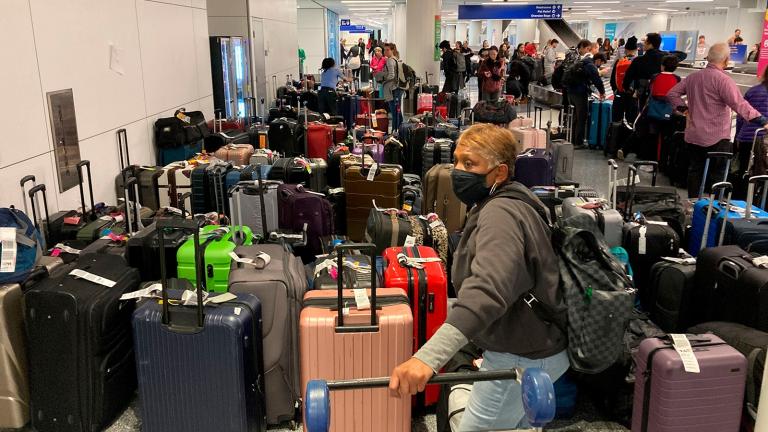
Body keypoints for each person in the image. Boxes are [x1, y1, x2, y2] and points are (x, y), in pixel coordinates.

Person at [388, 123, 568, 431]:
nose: (458, 171)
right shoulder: (516, 199)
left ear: (499, 173)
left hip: (522, 358)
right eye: (457, 160)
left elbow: (486, 291)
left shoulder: (500, 215)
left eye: (470, 164)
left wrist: (427, 358)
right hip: (542, 346)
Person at [667, 43, 768, 198]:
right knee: (718, 175)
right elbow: (739, 105)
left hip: (694, 135)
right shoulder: (723, 80)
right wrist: (762, 120)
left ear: (708, 57)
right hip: (717, 137)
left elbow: (672, 94)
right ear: (726, 60)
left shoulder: (693, 77)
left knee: (695, 170)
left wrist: (684, 109)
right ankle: (713, 207)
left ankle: (693, 203)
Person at [564, 39, 606, 148]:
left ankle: (573, 139)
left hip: (571, 92)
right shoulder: (590, 65)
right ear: (598, 60)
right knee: (582, 117)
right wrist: (602, 92)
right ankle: (578, 142)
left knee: (576, 117)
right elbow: (597, 79)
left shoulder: (583, 61)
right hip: (579, 93)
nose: (600, 66)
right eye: (601, 63)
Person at [735, 64, 768, 195]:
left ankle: (739, 201)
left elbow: (740, 115)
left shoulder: (752, 90)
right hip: (764, 140)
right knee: (762, 173)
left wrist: (738, 135)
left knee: (744, 170)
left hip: (746, 137)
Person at [623, 33, 666, 114]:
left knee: (643, 113)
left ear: (650, 44)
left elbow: (628, 77)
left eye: (645, 42)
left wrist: (626, 89)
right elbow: (682, 55)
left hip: (643, 92)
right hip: (662, 92)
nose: (643, 44)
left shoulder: (639, 60)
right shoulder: (665, 57)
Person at [610, 36, 639, 123]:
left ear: (625, 50)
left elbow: (612, 80)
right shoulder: (638, 63)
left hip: (619, 94)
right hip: (632, 96)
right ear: (636, 50)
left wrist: (615, 90)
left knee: (616, 119)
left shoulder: (619, 62)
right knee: (631, 120)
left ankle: (615, 135)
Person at [379, 43, 404, 132]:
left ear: (392, 50)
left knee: (394, 112)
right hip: (398, 88)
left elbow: (391, 75)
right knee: (397, 111)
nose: (385, 51)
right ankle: (400, 129)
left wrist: (383, 79)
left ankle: (394, 131)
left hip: (393, 89)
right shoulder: (395, 59)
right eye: (384, 50)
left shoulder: (390, 60)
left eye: (387, 50)